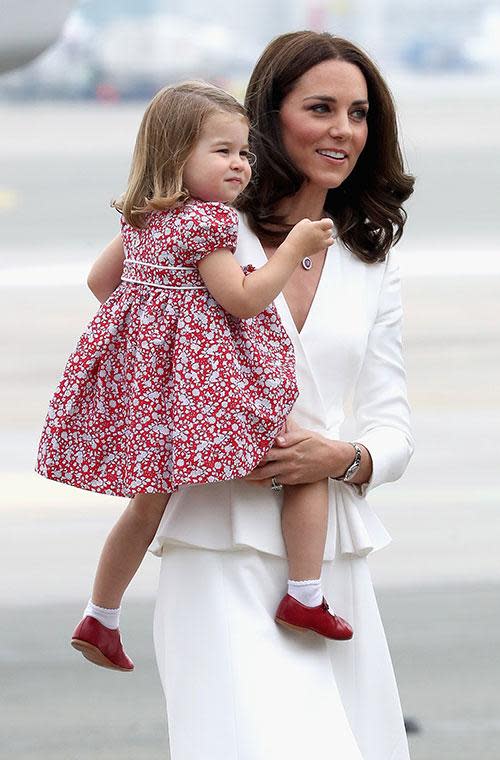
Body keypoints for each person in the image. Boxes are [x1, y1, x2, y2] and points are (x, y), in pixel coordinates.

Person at [150, 31, 415, 760]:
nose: (343, 130)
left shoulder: (369, 257)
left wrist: (344, 457)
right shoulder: (207, 232)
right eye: (321, 107)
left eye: (359, 113)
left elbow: (393, 424)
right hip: (216, 540)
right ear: (270, 116)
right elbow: (126, 334)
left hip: (329, 561)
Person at [35, 80, 353, 673]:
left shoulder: (143, 220)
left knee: (144, 507)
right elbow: (243, 299)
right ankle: (305, 594)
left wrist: (154, 324)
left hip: (155, 392)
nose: (240, 164)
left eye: (245, 153)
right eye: (223, 151)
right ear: (175, 153)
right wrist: (296, 250)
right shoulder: (210, 223)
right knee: (301, 458)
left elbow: (101, 284)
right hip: (208, 391)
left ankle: (100, 614)